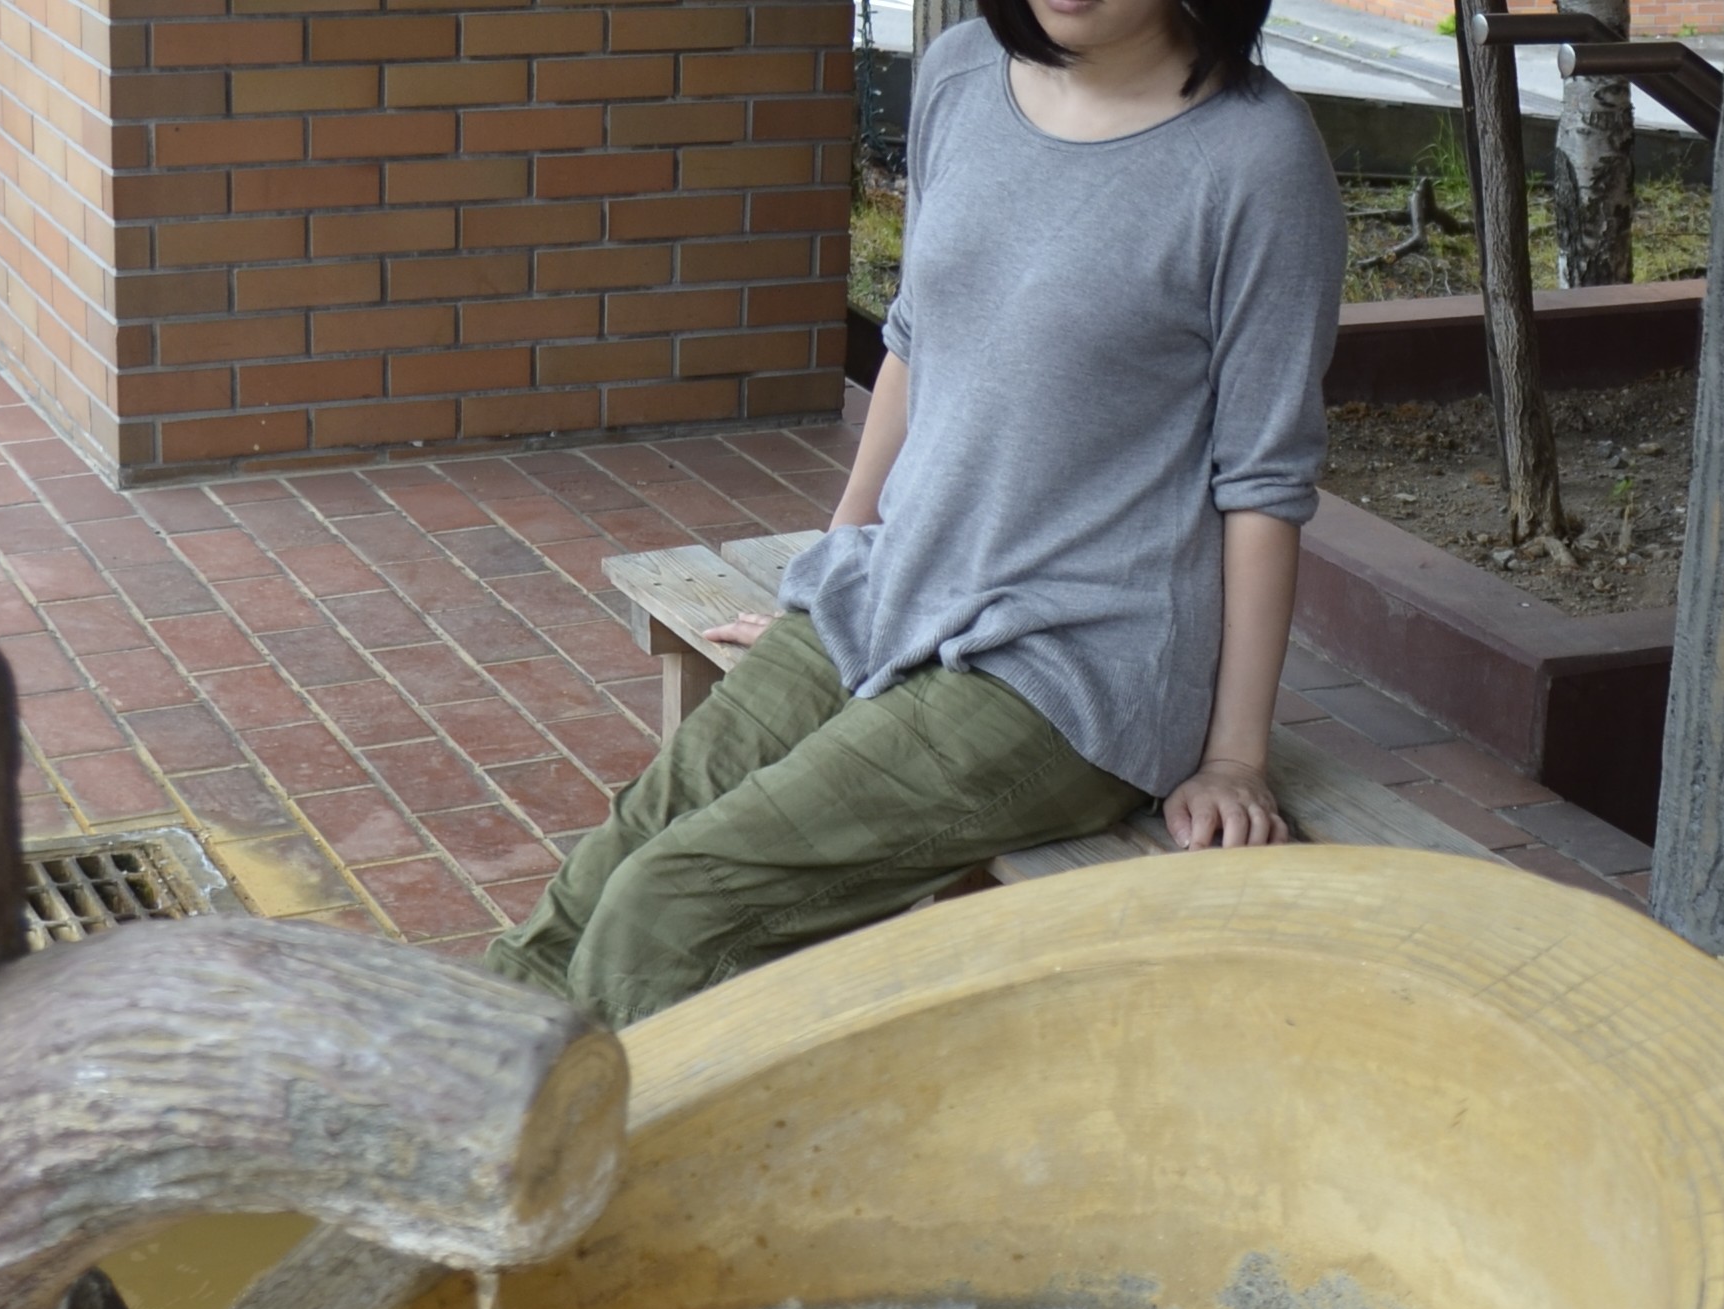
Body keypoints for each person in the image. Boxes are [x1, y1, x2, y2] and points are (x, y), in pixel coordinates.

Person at [488, 0, 1345, 1026]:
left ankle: (608, 1128)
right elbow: (914, 333)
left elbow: (1261, 479)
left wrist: (1234, 758)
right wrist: (838, 564)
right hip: (896, 586)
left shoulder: (1255, 158)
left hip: (1075, 660)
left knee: (669, 909)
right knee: (614, 862)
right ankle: (452, 1098)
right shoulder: (961, 71)